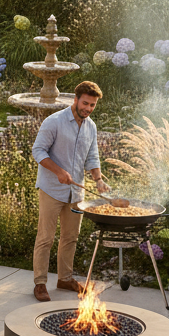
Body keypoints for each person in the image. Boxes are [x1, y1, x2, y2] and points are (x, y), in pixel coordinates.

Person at [30, 81, 108, 302]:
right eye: (85, 103)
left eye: (92, 105)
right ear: (75, 99)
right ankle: (40, 283)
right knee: (45, 238)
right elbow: (38, 151)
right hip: (51, 189)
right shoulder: (54, 122)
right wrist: (58, 171)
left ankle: (64, 278)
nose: (88, 108)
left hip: (75, 193)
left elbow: (92, 156)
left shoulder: (90, 126)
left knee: (70, 238)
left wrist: (98, 180)